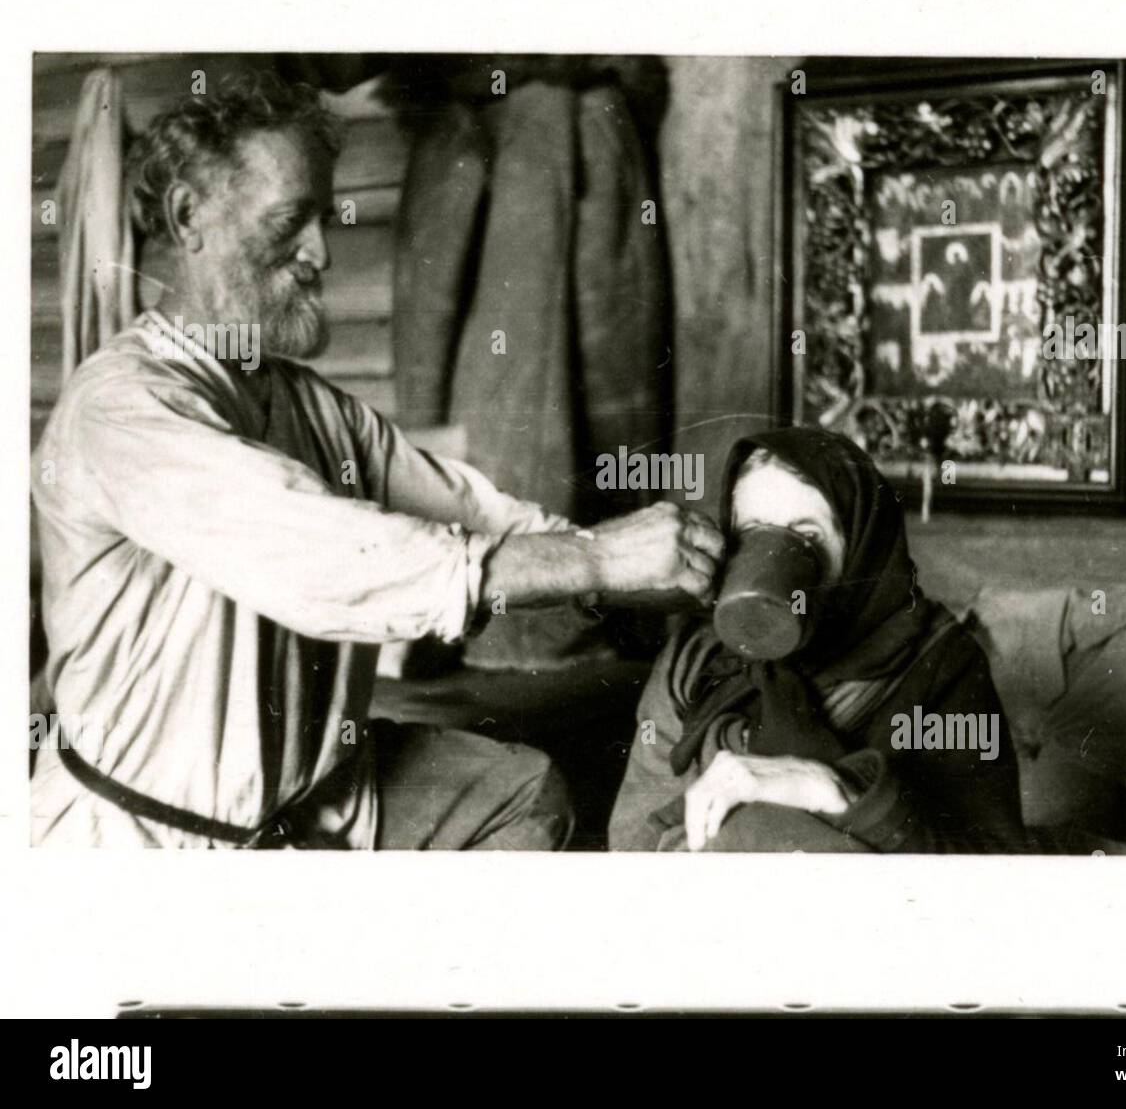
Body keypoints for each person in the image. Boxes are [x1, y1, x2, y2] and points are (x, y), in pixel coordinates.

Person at [30, 72, 723, 849]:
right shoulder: (121, 407)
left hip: (316, 805)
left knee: (522, 793)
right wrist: (598, 561)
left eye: (324, 218)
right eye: (292, 220)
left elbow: (472, 512)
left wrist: (661, 572)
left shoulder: (304, 403)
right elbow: (327, 555)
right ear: (190, 216)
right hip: (144, 844)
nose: (320, 252)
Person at [608, 427, 1026, 853]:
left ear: (861, 546)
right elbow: (635, 844)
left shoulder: (940, 662)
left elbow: (994, 867)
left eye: (807, 537)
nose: (773, 560)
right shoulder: (696, 662)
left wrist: (833, 793)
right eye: (754, 532)